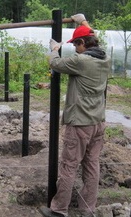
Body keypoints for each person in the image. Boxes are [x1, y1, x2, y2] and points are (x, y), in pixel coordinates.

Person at [39, 14, 111, 217]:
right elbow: (93, 37)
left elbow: (56, 63)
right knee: (91, 166)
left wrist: (54, 50)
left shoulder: (81, 61)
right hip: (98, 122)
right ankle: (87, 209)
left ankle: (59, 209)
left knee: (69, 166)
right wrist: (83, 22)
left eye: (76, 44)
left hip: (80, 123)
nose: (75, 48)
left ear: (82, 44)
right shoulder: (104, 57)